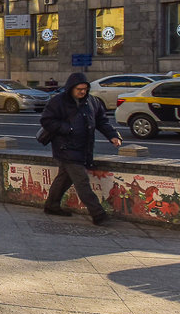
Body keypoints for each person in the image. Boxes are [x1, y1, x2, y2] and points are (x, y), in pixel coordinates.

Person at [39, 72, 122, 225]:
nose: (82, 92)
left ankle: (51, 205)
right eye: (79, 89)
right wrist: (67, 129)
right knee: (81, 181)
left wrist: (112, 135)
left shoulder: (92, 101)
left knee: (64, 179)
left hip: (83, 148)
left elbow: (101, 121)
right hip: (65, 148)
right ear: (71, 88)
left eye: (85, 89)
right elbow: (46, 120)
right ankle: (98, 214)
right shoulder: (58, 102)